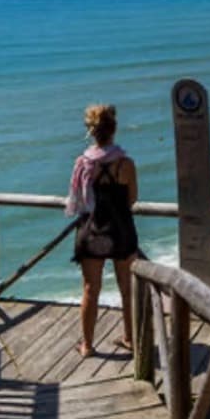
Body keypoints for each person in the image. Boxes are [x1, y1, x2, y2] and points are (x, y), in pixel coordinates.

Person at [66, 104, 139, 357]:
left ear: (91, 131)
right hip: (120, 230)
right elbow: (132, 198)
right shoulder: (126, 164)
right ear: (114, 129)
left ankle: (87, 345)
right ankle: (130, 337)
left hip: (92, 230)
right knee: (126, 288)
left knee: (90, 289)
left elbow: (78, 201)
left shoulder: (82, 164)